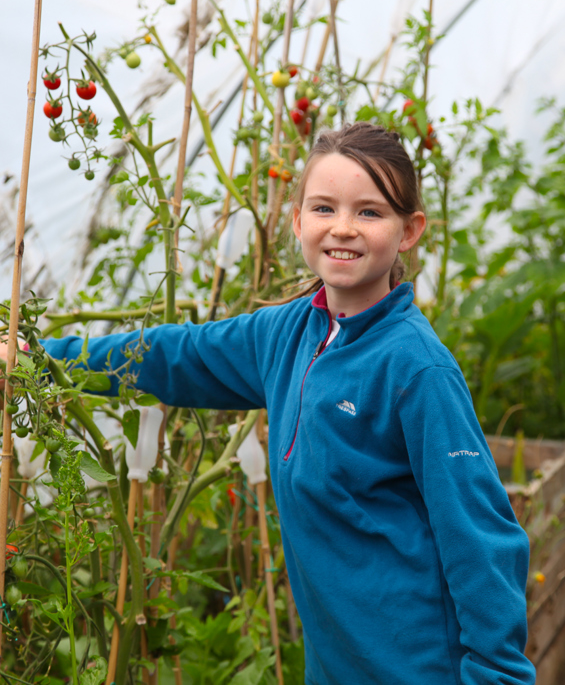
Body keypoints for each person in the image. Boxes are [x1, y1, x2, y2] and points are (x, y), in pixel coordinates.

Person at [2, 123, 536, 684]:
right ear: (298, 220)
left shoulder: (416, 370)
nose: (344, 228)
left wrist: (497, 675)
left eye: (371, 212)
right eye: (324, 208)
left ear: (409, 230)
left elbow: (480, 537)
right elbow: (172, 357)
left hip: (417, 666)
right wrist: (43, 357)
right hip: (336, 664)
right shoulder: (287, 334)